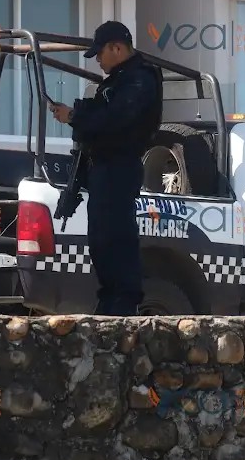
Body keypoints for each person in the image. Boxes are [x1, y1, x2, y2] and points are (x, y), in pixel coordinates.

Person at [50, 21, 163, 316]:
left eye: (100, 53)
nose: (98, 60)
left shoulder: (140, 78)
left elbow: (116, 118)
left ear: (117, 48)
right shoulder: (119, 80)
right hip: (103, 165)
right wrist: (77, 114)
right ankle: (110, 298)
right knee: (101, 239)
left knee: (117, 236)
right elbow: (102, 116)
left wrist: (74, 116)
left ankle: (123, 301)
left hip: (120, 165)